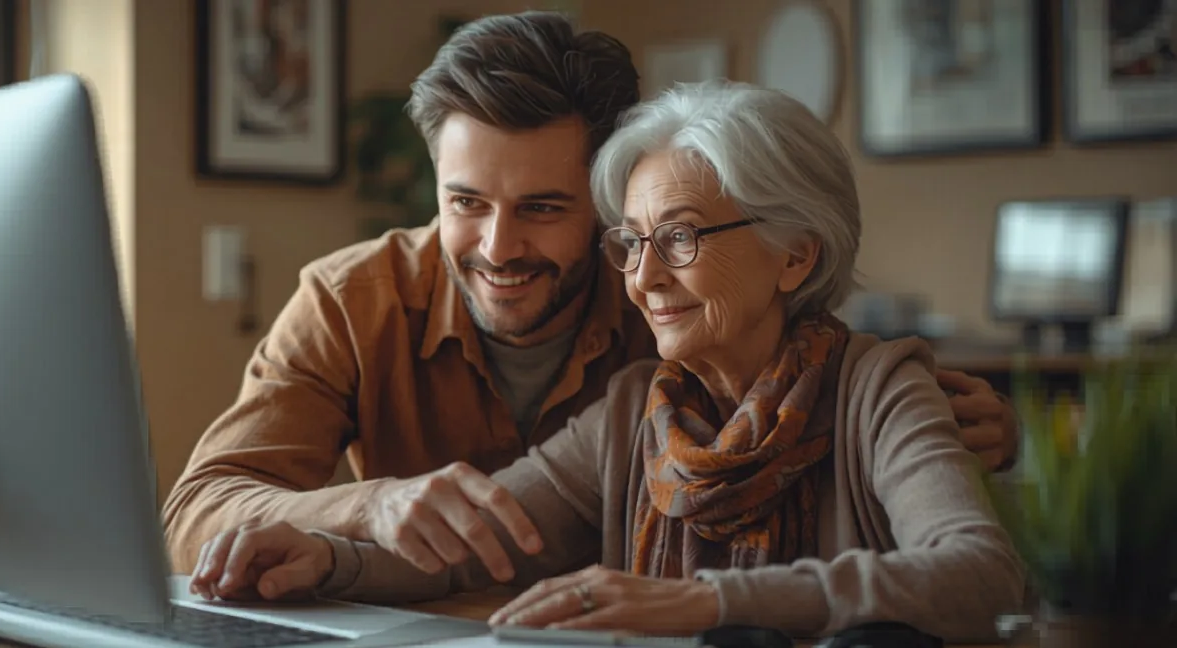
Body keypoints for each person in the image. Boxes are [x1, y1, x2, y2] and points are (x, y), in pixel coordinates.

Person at [163, 12, 1021, 588]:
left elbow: (952, 540)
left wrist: (985, 451)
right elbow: (201, 509)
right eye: (466, 204)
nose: (497, 249)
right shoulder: (356, 303)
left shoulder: (678, 329)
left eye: (542, 209)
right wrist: (360, 515)